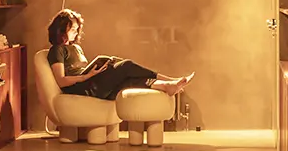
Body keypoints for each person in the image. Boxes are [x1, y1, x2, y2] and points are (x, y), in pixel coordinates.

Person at [45, 8, 193, 101]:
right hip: (83, 88)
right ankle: (170, 80)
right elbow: (61, 81)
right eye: (72, 29)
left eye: (77, 29)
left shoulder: (76, 48)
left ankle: (167, 85)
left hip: (91, 83)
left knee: (127, 80)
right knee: (127, 65)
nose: (76, 33)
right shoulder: (56, 50)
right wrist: (86, 76)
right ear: (61, 30)